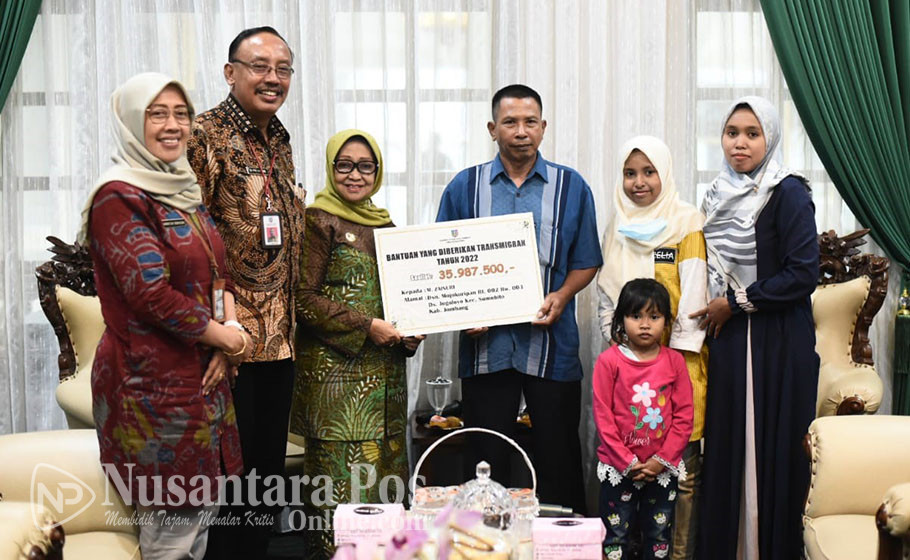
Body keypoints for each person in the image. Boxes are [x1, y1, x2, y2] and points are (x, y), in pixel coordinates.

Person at [80, 72, 253, 560]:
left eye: (181, 113)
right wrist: (226, 339)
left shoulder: (183, 189)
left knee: (198, 524)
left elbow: (218, 271)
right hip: (151, 386)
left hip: (202, 378)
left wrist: (231, 332)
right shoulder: (118, 196)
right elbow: (149, 293)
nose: (172, 125)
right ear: (132, 122)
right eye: (157, 114)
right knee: (170, 534)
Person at [435, 84, 602, 514]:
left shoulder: (571, 187)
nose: (521, 131)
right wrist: (463, 311)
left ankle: (562, 540)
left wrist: (562, 295)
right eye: (510, 122)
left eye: (530, 122)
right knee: (485, 460)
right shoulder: (464, 187)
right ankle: (485, 540)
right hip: (485, 350)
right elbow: (441, 260)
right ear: (493, 129)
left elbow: (587, 259)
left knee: (558, 459)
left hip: (551, 348)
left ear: (543, 127)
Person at [186, 26, 306, 559]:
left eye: (283, 68)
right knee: (228, 485)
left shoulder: (278, 139)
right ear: (230, 72)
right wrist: (215, 334)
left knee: (265, 479)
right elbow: (190, 244)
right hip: (228, 345)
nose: (272, 78)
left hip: (279, 340)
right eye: (260, 66)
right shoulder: (204, 136)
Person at [693, 96, 819, 559]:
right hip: (729, 337)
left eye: (752, 133)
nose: (740, 143)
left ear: (771, 138)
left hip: (778, 340)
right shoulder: (715, 195)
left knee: (774, 448)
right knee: (728, 445)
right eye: (732, 133)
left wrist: (737, 302)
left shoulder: (789, 192)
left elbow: (803, 273)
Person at [291, 129, 424, 559]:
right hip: (337, 392)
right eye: (344, 165)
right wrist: (367, 326)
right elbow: (302, 299)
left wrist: (412, 330)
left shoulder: (386, 225)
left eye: (365, 166)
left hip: (386, 386)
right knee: (339, 502)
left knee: (386, 498)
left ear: (378, 172)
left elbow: (403, 298)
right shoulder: (317, 220)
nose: (355, 175)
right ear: (331, 168)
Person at [595, 136, 707, 560]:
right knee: (623, 481)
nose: (638, 182)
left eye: (648, 172)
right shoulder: (617, 224)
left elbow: (694, 300)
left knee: (681, 475)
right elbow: (607, 297)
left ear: (665, 174)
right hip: (625, 364)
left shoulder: (687, 221)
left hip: (677, 364)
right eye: (630, 173)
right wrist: (622, 346)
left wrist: (662, 360)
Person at [593, 278, 693, 560]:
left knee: (658, 538)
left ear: (667, 321)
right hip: (619, 468)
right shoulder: (609, 361)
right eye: (636, 316)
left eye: (654, 316)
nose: (645, 324)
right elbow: (603, 416)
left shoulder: (674, 362)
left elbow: (684, 417)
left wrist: (661, 461)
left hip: (661, 470)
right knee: (615, 538)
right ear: (621, 319)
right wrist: (626, 461)